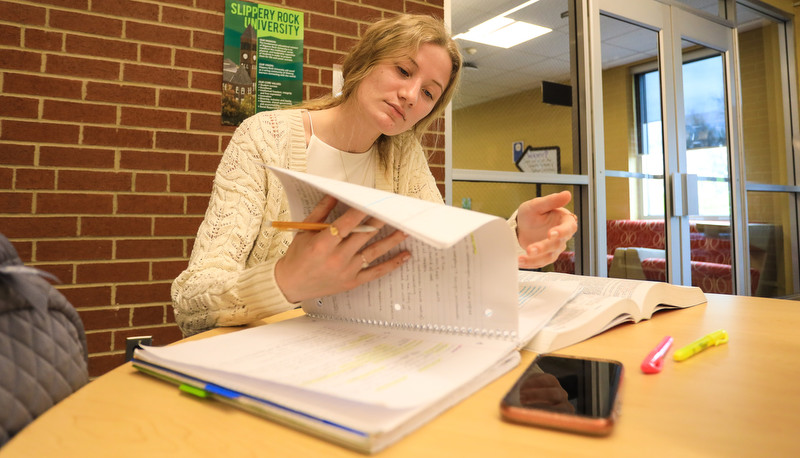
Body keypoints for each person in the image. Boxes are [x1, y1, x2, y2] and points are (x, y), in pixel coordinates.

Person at [172, 14, 578, 336]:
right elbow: (191, 303)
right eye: (403, 71)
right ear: (364, 62)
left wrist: (514, 239)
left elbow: (443, 255)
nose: (410, 95)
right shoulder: (265, 137)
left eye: (428, 93)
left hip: (364, 347)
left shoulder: (402, 154)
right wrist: (285, 281)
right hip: (267, 351)